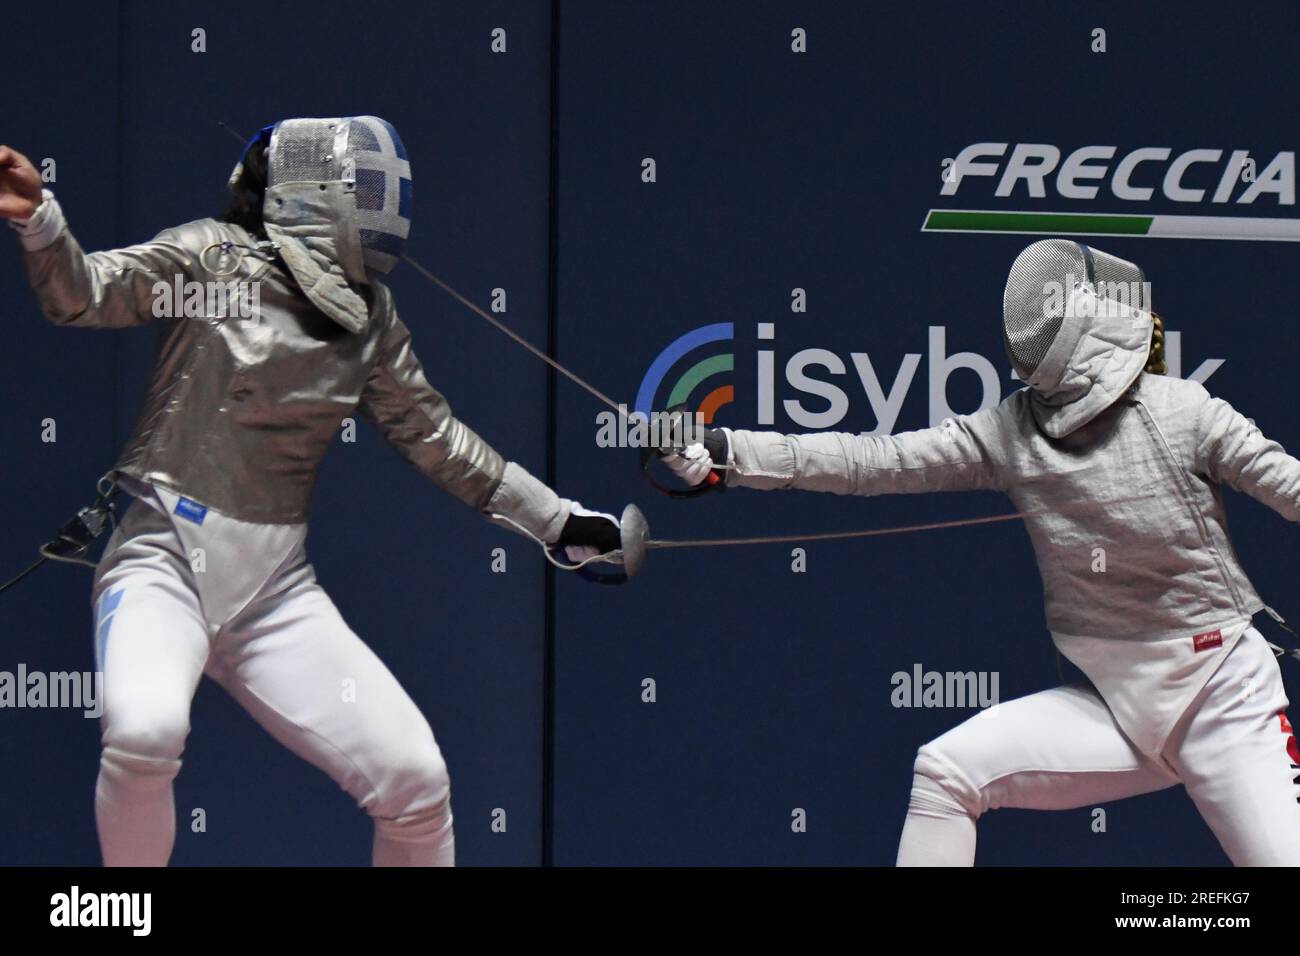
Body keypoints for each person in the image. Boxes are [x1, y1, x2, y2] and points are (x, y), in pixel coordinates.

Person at [0, 117, 623, 867]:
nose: (380, 213)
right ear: (312, 192)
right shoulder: (211, 258)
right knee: (144, 733)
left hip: (274, 592)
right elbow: (85, 293)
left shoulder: (369, 322)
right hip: (163, 559)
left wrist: (557, 521)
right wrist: (40, 218)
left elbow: (440, 440)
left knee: (416, 783)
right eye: (362, 192)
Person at [659, 239, 1300, 865]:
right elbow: (874, 461)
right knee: (946, 773)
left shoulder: (1183, 413)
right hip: (1118, 707)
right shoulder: (1010, 432)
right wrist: (727, 451)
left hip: (1221, 703)